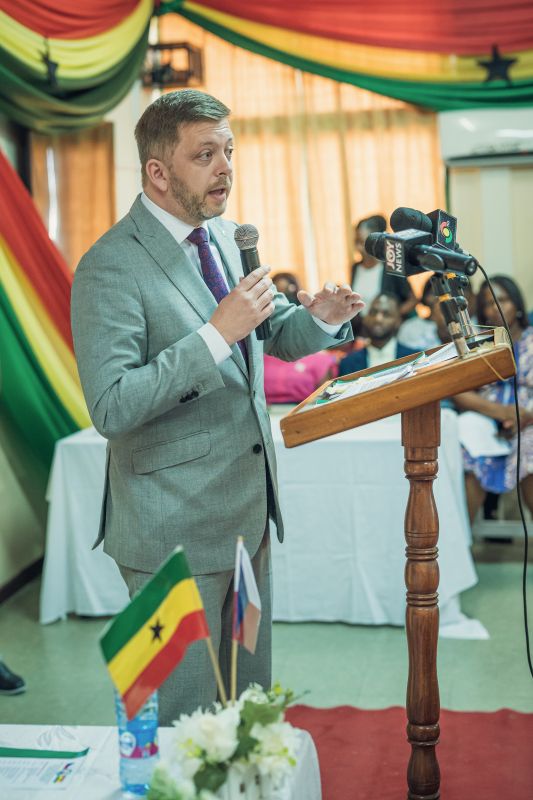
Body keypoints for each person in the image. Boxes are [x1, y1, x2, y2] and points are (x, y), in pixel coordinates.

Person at [70, 89, 364, 724]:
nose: (226, 168)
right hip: (169, 531)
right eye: (205, 155)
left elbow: (270, 331)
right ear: (157, 171)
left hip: (246, 520)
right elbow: (113, 406)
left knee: (245, 705)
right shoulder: (108, 267)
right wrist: (214, 333)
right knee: (179, 721)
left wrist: (319, 321)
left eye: (228, 150)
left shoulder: (228, 238)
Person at [452, 276, 533, 523]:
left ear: (517, 304)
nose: (494, 308)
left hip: (529, 422)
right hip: (487, 419)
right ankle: (461, 545)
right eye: (488, 303)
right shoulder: (478, 344)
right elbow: (458, 392)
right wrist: (502, 413)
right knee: (468, 441)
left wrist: (524, 416)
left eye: (503, 300)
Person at [264, 273, 338, 404]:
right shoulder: (259, 353)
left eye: (288, 291)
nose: (283, 299)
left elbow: (325, 401)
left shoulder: (318, 357)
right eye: (279, 293)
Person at [350, 215, 416, 318]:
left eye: (362, 243)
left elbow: (412, 300)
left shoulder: (392, 266)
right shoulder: (355, 268)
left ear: (374, 242)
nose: (358, 248)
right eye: (356, 242)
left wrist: (391, 318)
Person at [338, 292, 418, 376]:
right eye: (373, 312)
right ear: (365, 318)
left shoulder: (414, 358)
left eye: (386, 314)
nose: (378, 319)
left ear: (398, 321)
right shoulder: (347, 363)